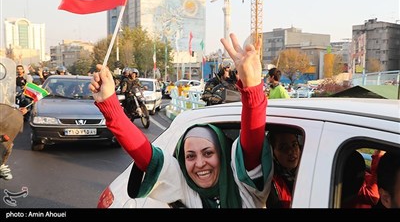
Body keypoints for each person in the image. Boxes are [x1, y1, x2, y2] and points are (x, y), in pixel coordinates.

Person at [89, 33, 274, 208]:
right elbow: (146, 156)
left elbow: (251, 146)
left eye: (208, 153)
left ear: (222, 154)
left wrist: (252, 88)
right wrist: (109, 104)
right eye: (190, 156)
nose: (200, 163)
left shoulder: (245, 185)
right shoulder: (186, 187)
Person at [266, 130, 302, 208]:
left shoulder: (312, 171)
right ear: (272, 152)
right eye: (283, 147)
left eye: (294, 144)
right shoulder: (269, 186)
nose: (291, 151)